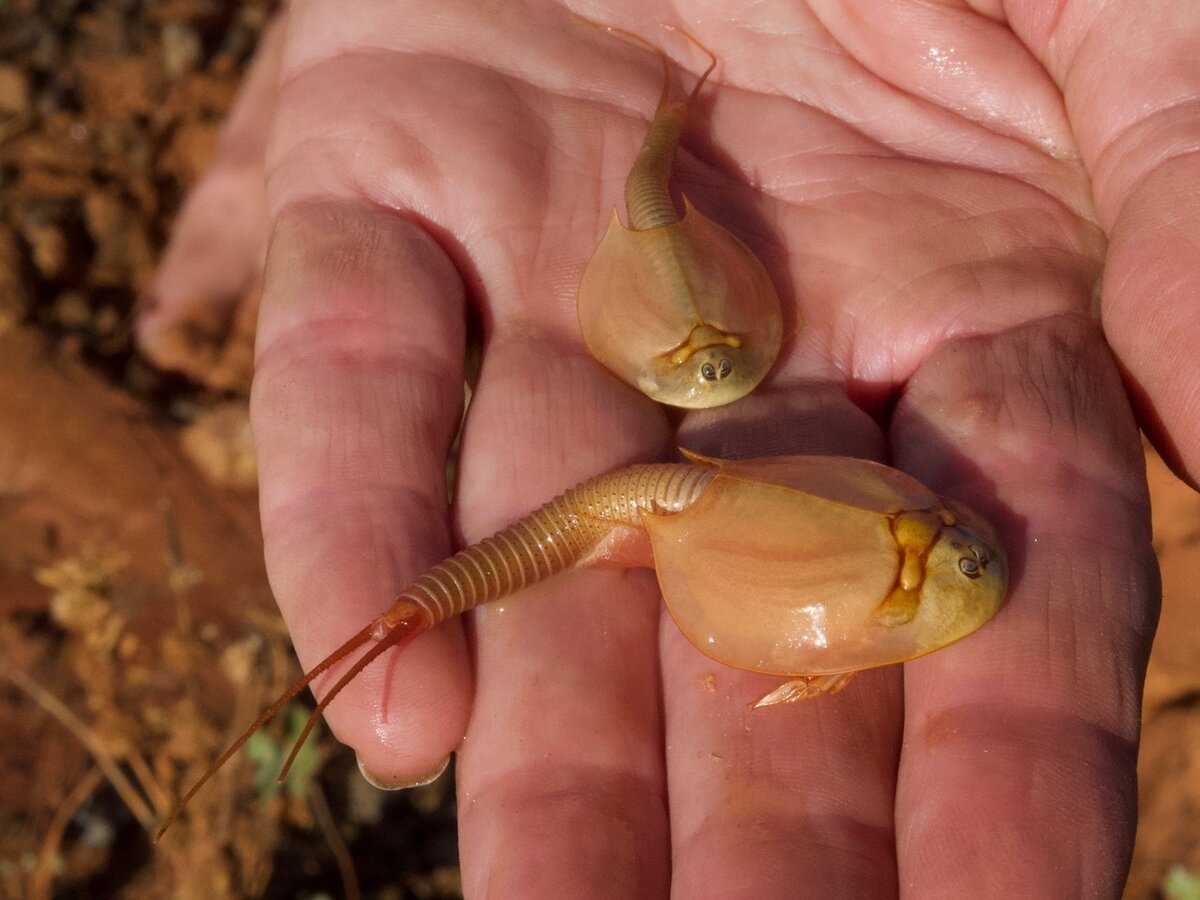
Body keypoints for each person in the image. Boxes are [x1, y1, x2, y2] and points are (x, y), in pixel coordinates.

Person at [138, 2, 1199, 896]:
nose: (973, 550)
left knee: (578, 531)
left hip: (680, 501)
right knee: (546, 544)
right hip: (673, 495)